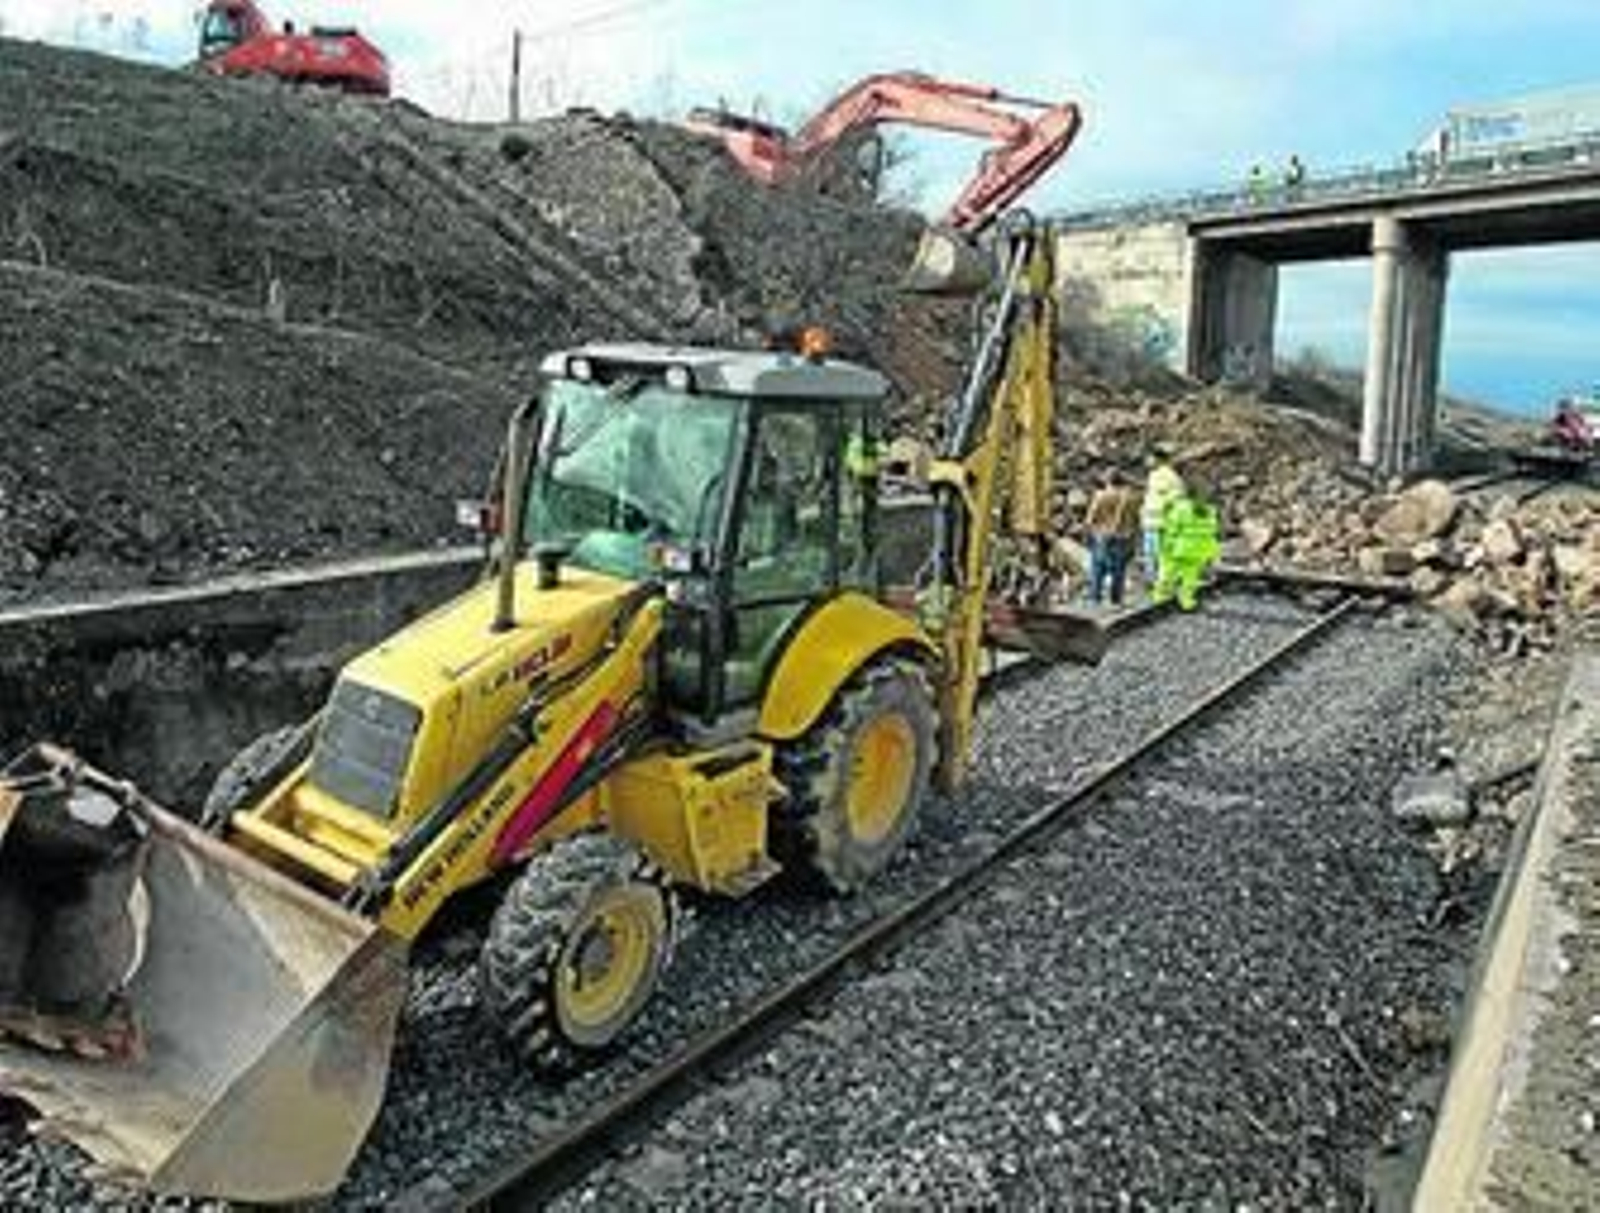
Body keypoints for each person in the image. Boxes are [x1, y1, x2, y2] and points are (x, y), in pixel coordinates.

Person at [1152, 480, 1222, 612]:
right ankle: (1187, 601)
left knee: (1167, 573)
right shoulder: (1210, 510)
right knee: (1190, 577)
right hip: (1199, 549)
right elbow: (1213, 531)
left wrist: (1165, 545)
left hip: (1179, 547)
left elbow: (1171, 529)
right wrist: (1213, 552)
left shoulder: (1181, 508)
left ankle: (1160, 598)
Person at [1083, 470, 1141, 607]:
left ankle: (1095, 598)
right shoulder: (1131, 498)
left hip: (1102, 536)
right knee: (1119, 570)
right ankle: (1116, 599)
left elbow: (1090, 519)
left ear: (1108, 480)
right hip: (1123, 537)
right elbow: (1136, 520)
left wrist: (1088, 534)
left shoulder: (1101, 496)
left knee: (1097, 568)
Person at [1140, 449, 1185, 587]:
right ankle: (1151, 578)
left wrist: (1164, 507)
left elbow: (1179, 495)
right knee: (1150, 552)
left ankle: (1163, 579)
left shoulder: (1171, 476)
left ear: (1158, 459)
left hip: (1161, 520)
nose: (1147, 461)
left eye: (1150, 458)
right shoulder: (1152, 475)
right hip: (1149, 520)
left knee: (1160, 552)